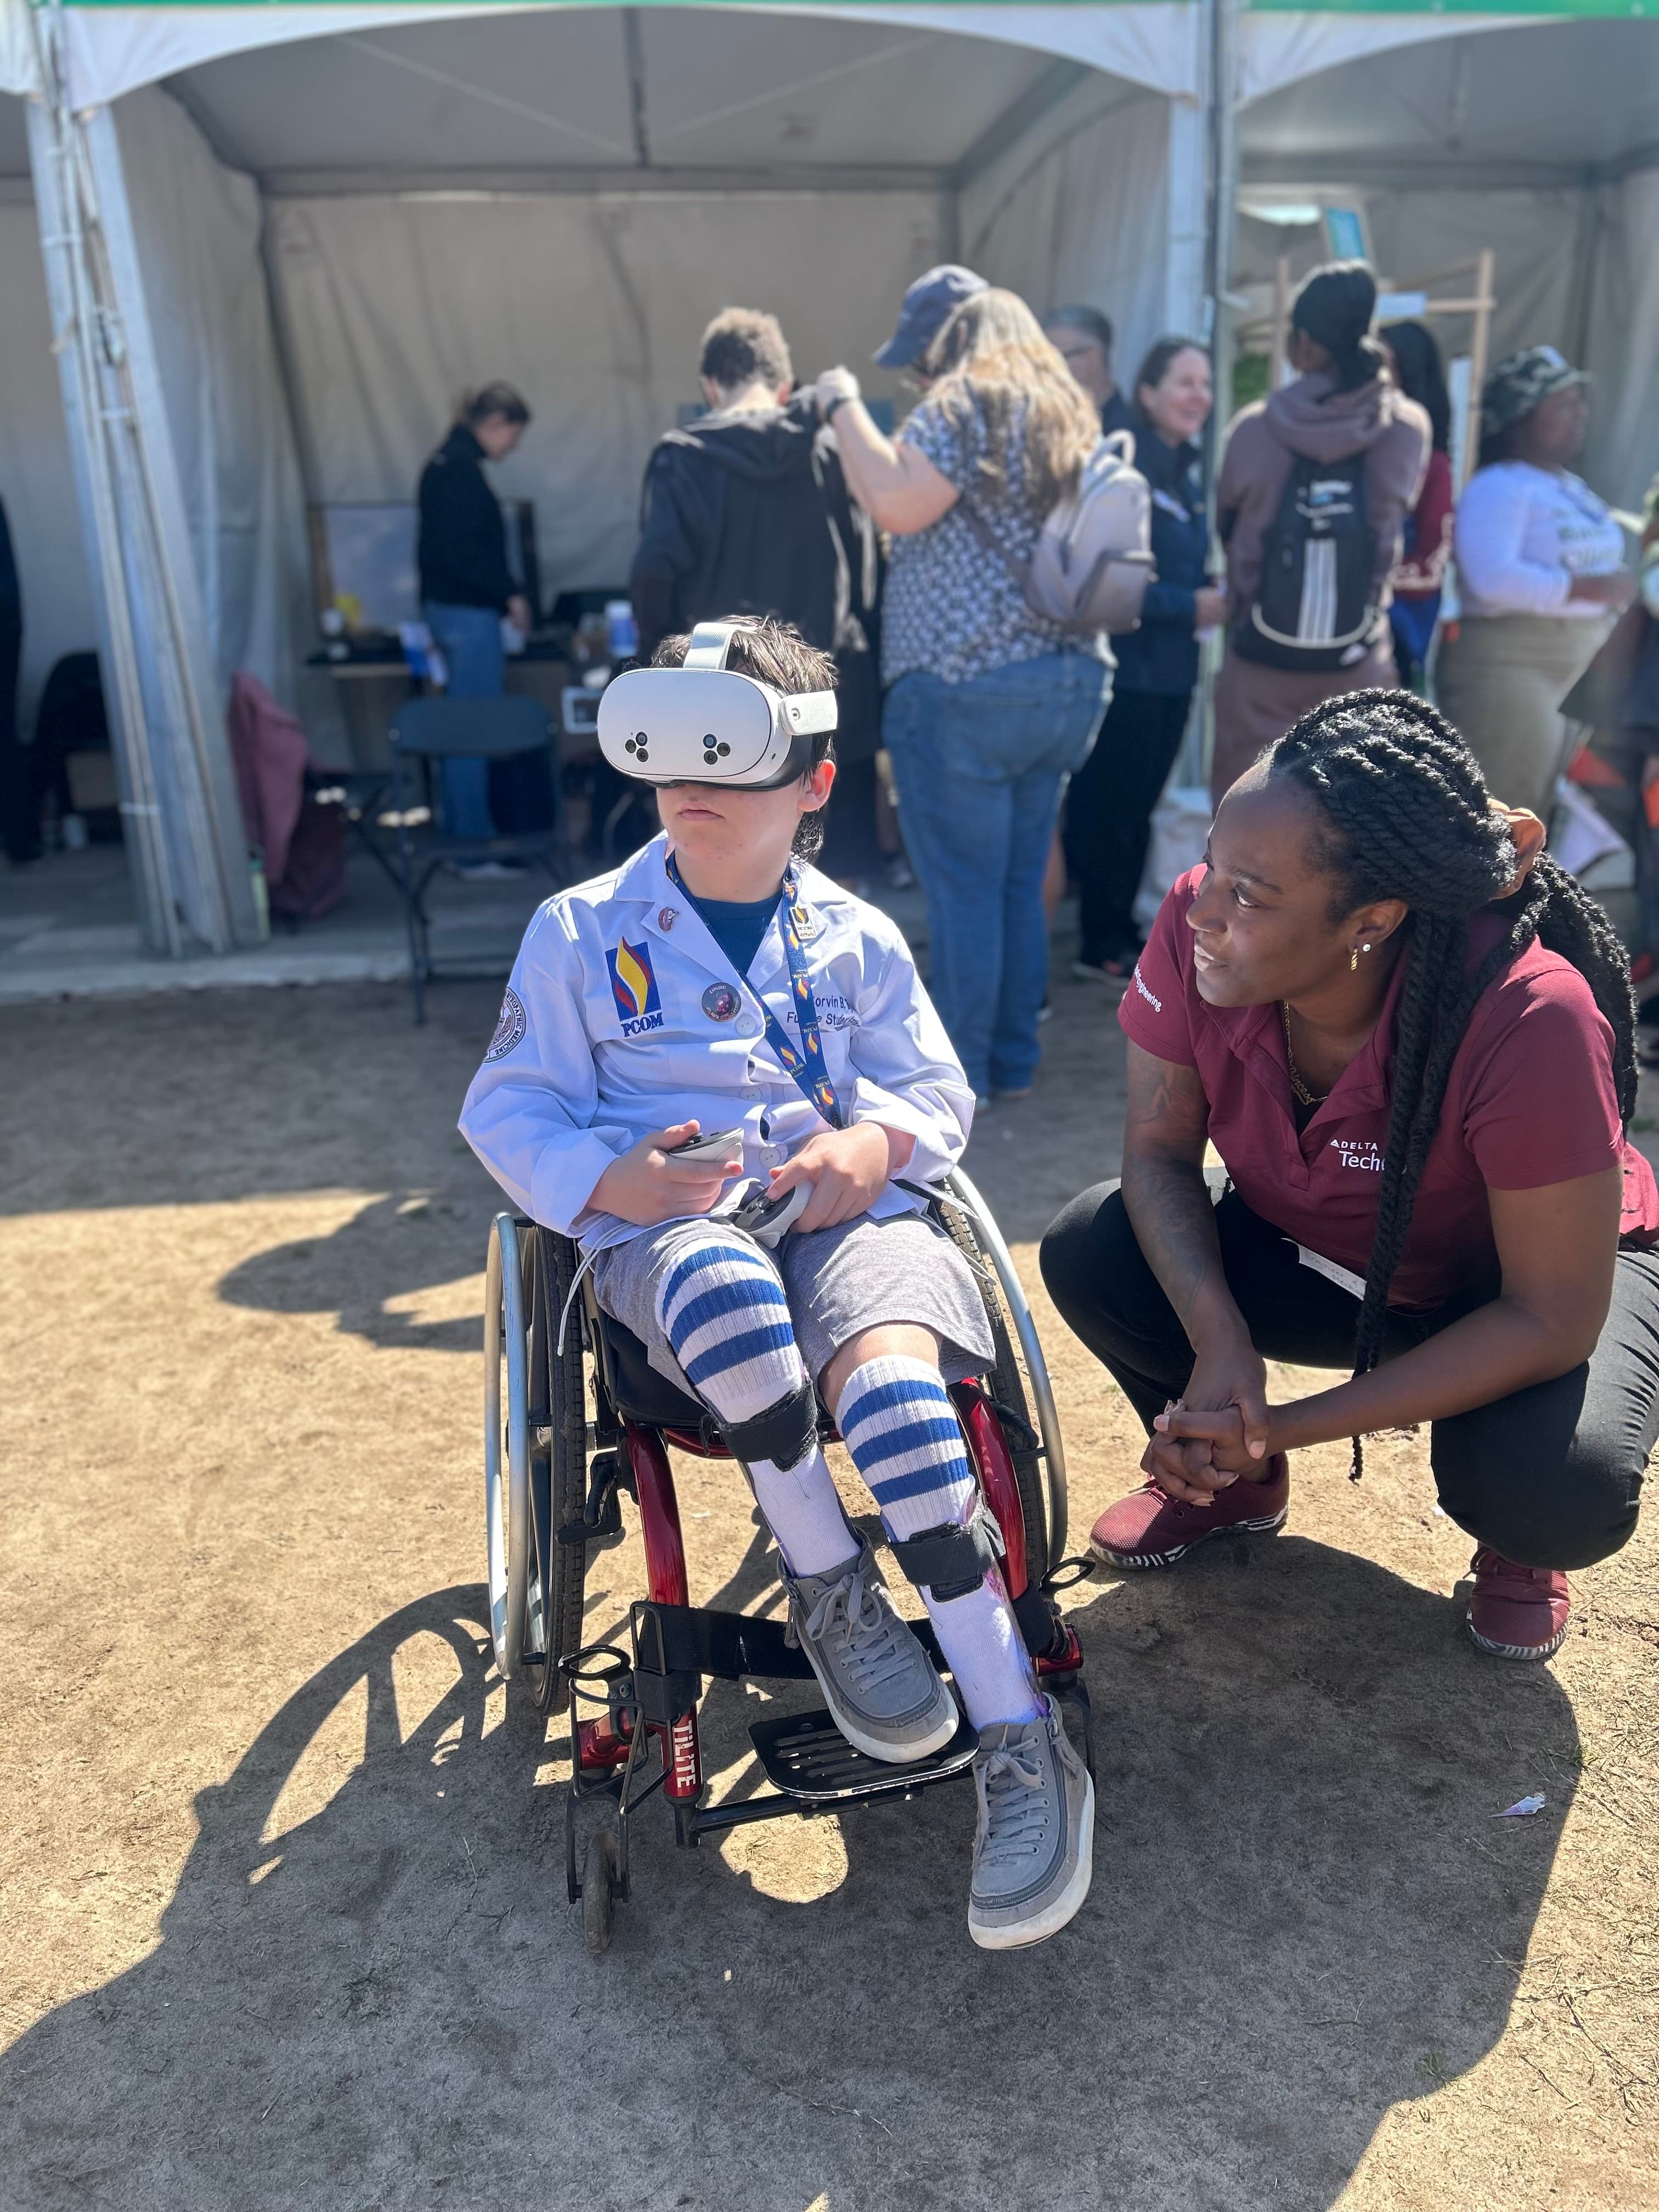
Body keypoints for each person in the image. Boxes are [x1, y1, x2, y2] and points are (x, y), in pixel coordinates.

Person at [458, 616, 1093, 1948]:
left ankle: (1019, 1736)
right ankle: (833, 1587)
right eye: (669, 750)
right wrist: (610, 1179)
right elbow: (508, 1107)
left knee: (913, 1416)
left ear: (811, 782)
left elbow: (931, 1094)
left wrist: (876, 1142)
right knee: (725, 1288)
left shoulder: (855, 936)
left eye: (730, 756)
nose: (691, 784)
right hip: (672, 1248)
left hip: (845, 1225)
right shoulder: (580, 932)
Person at [1040, 691, 1654, 1663]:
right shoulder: (1194, 928)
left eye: (1247, 894)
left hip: (1510, 1292)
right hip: (1336, 1254)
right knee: (1092, 1248)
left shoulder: (1528, 1014)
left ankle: (1513, 1544)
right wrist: (1220, 1346)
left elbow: (1548, 1316)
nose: (1200, 909)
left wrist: (1284, 1422)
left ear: (1368, 919)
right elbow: (1156, 1154)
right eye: (1211, 868)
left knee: (1556, 1487)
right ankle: (1234, 1487)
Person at [813, 290, 1112, 1102]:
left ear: (947, 344)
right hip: (1069, 682)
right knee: (1018, 885)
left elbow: (897, 502)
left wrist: (843, 407)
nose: (918, 374)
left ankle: (960, 1078)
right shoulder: (1063, 412)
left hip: (964, 686)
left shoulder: (964, 403)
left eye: (921, 356)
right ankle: (1011, 1061)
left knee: (966, 895)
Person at [630, 308, 881, 876]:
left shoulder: (681, 457)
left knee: (723, 863)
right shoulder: (831, 451)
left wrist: (657, 662)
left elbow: (654, 574)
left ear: (711, 386)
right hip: (823, 684)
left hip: (718, 693)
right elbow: (867, 573)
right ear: (784, 386)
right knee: (834, 879)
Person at [1212, 261, 1430, 802]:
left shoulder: (1253, 430)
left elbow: (1228, 532)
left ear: (1304, 345)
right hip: (1359, 665)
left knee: (1246, 831)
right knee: (1353, 834)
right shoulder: (1405, 428)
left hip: (1258, 666)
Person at [1065, 335, 1224, 981]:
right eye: (1184, 382)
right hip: (1127, 672)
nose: (1199, 396)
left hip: (1172, 674)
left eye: (1205, 385)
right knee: (1109, 809)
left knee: (1138, 810)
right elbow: (1107, 580)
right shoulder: (1125, 465)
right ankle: (1099, 939)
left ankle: (1121, 931)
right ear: (1149, 393)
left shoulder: (1184, 469)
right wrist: (1191, 604)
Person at [1437, 346, 1634, 820]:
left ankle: (1530, 896)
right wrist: (1586, 590)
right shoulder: (1498, 487)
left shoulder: (1569, 486)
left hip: (1577, 664)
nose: (1580, 415)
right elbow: (1490, 579)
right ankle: (1492, 898)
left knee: (1546, 809)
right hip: (1514, 665)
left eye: (1578, 403)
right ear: (1522, 417)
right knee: (1507, 807)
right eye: (1563, 405)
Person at [416, 381, 534, 860]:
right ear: (495, 424)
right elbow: (466, 555)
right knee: (473, 731)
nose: (514, 446)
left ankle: (471, 837)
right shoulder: (459, 474)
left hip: (452, 613)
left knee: (465, 727)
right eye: (514, 434)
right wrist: (510, 593)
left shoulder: (447, 467)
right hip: (468, 617)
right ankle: (474, 846)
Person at [1378, 319, 1454, 690]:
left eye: (1385, 365)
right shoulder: (1347, 450)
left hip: (1395, 644)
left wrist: (1362, 582)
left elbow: (1431, 570)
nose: (1375, 377)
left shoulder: (1434, 467)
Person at [1043, 306, 1136, 440]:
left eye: (1054, 358)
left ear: (1092, 358)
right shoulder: (1055, 425)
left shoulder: (1125, 438)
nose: (1044, 369)